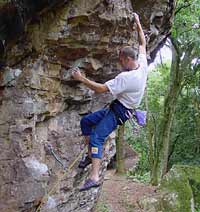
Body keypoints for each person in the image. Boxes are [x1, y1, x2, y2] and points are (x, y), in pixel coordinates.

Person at [72, 13, 147, 191]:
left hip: (119, 113)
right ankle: (91, 155)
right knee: (86, 122)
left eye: (121, 60)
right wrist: (137, 22)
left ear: (128, 60)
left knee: (97, 137)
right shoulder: (142, 64)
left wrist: (81, 78)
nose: (120, 63)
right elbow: (143, 43)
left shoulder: (127, 78)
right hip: (119, 109)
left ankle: (94, 177)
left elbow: (100, 89)